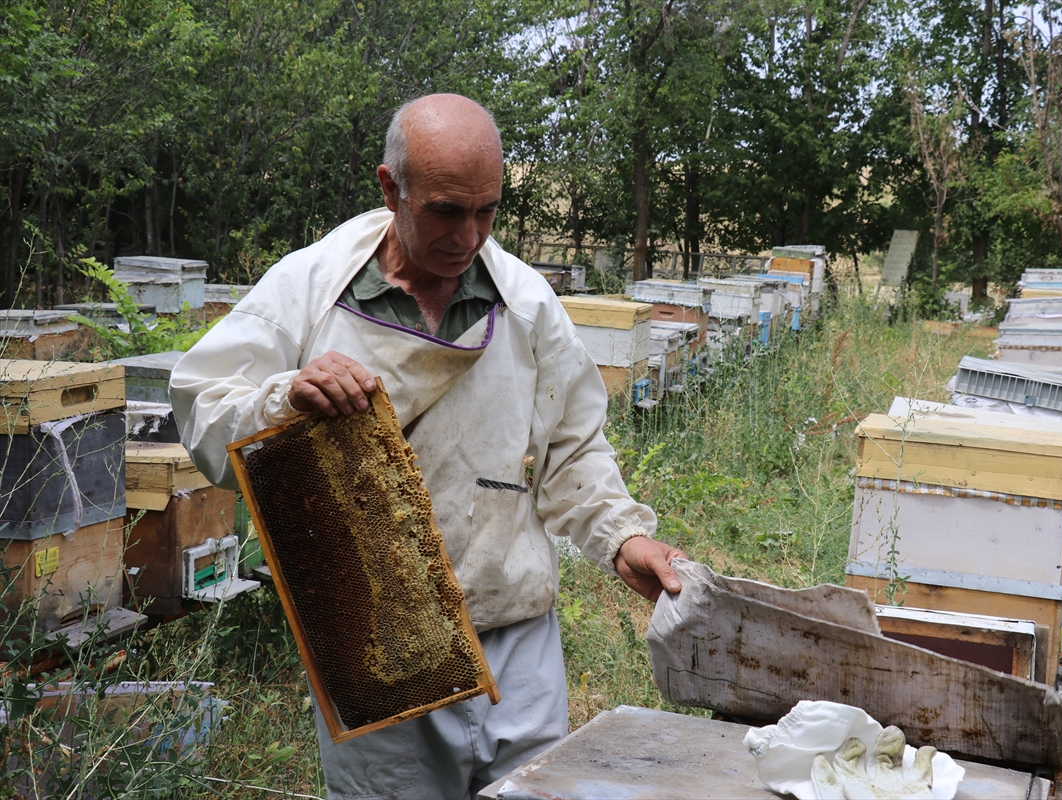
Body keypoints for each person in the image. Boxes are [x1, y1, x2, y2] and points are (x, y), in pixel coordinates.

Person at [170, 93, 687, 799]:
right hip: (374, 644)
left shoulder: (528, 304)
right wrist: (284, 396)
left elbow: (574, 447)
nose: (469, 236)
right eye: (447, 210)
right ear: (392, 188)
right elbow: (202, 405)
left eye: (487, 212)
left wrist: (624, 536)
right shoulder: (309, 287)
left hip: (516, 635)